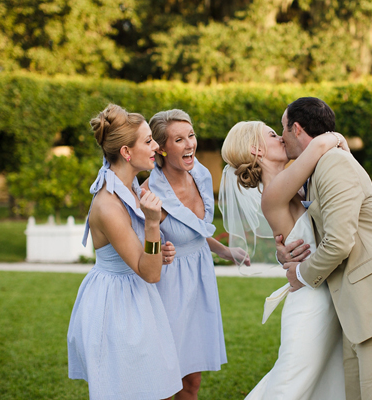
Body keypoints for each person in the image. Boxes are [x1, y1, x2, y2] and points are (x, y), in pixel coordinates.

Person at [279, 97, 372, 400]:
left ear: (296, 128)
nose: (281, 137)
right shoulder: (321, 165)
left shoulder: (334, 162)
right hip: (360, 312)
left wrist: (301, 274)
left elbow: (339, 241)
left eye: (282, 129)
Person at [219, 120, 350, 399]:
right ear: (256, 149)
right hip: (310, 301)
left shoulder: (295, 184)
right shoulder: (276, 191)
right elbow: (323, 142)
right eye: (273, 134)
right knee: (289, 384)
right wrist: (336, 135)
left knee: (324, 382)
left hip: (324, 291)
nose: (282, 137)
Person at [67, 104, 182, 399]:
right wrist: (154, 226)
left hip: (137, 297)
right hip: (116, 306)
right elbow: (150, 273)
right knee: (132, 391)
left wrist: (157, 250)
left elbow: (146, 259)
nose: (156, 145)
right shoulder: (108, 204)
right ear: (127, 153)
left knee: (157, 389)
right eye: (148, 141)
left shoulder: (131, 186)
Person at [142, 109, 245, 399]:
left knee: (192, 382)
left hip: (200, 281)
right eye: (179, 139)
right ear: (161, 148)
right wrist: (157, 250)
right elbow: (136, 248)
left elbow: (196, 231)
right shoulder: (150, 193)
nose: (190, 144)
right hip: (169, 287)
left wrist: (225, 251)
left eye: (191, 135)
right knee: (165, 380)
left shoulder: (199, 173)